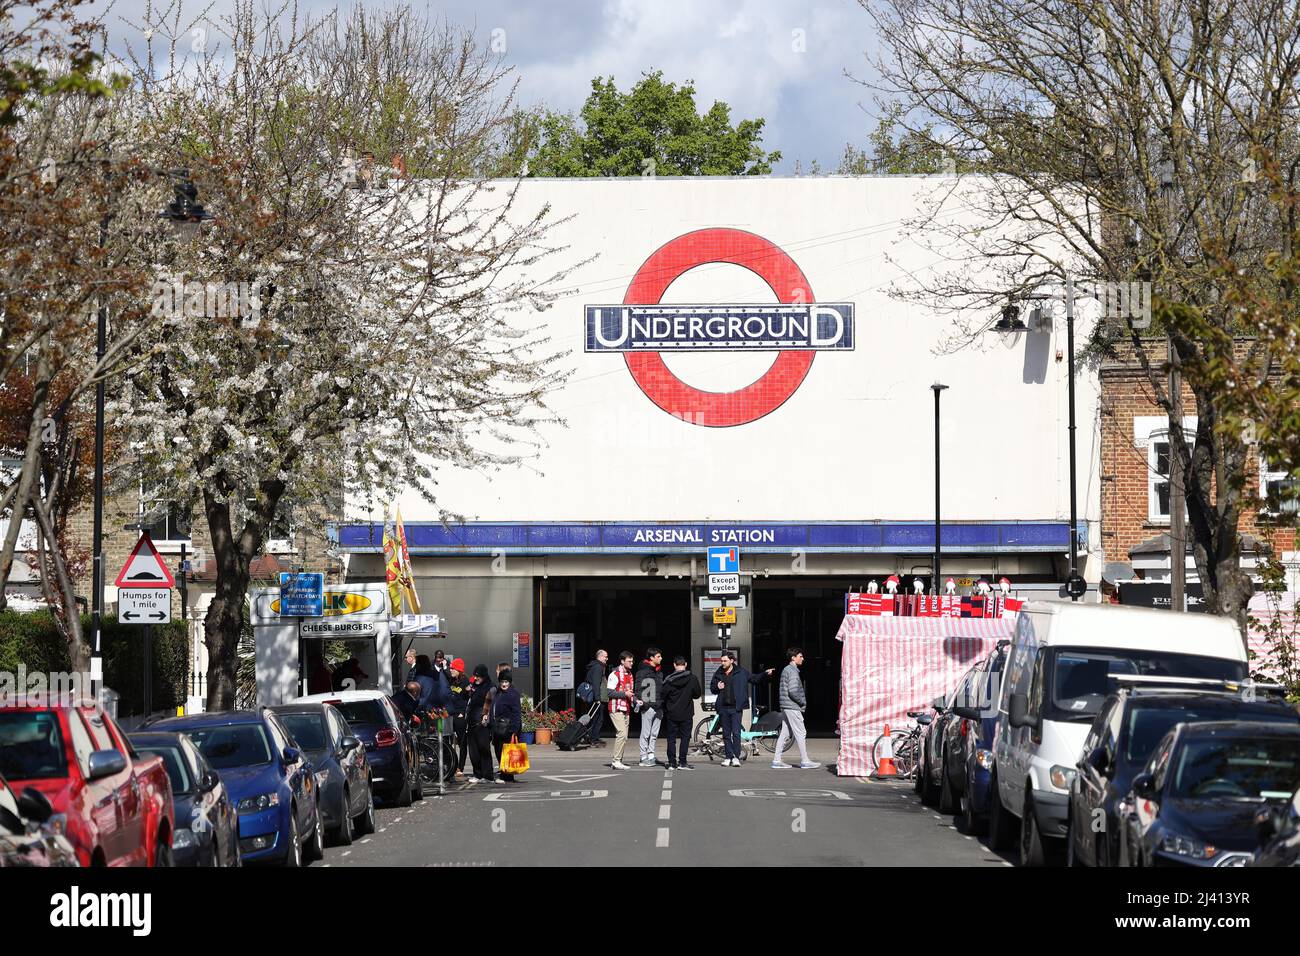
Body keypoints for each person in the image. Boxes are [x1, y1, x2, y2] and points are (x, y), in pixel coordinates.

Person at [709, 651, 773, 767]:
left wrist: (764, 674)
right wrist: (717, 687)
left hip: (736, 708)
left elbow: (754, 679)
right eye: (721, 661)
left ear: (732, 661)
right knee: (726, 734)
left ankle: (736, 757)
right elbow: (712, 688)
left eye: (725, 661)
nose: (722, 663)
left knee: (736, 733)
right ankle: (728, 757)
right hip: (723, 708)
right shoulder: (719, 673)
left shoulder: (741, 672)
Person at [771, 647, 819, 770]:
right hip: (792, 706)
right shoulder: (792, 671)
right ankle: (805, 760)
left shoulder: (787, 670)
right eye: (800, 656)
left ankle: (777, 760)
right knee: (801, 732)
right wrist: (802, 701)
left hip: (786, 706)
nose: (802, 658)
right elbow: (792, 691)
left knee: (785, 733)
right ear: (793, 658)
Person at [660, 656, 701, 770]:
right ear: (686, 664)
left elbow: (663, 695)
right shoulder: (692, 678)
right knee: (685, 738)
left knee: (671, 739)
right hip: (687, 712)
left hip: (672, 713)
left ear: (674, 665)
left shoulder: (669, 679)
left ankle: (672, 763)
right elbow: (697, 694)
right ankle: (683, 762)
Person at [488, 669, 523, 783]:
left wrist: (514, 730)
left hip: (507, 729)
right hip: (498, 729)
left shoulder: (513, 694)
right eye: (502, 681)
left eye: (506, 682)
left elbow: (517, 713)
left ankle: (507, 776)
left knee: (506, 753)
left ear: (510, 682)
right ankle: (504, 774)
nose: (504, 684)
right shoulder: (498, 692)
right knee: (499, 752)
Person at [605, 651, 636, 770]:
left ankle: (619, 760)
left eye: (632, 661)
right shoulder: (615, 674)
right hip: (616, 707)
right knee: (622, 733)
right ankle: (616, 760)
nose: (632, 663)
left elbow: (630, 692)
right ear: (622, 661)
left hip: (626, 707)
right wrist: (625, 694)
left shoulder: (630, 674)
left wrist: (635, 700)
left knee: (624, 735)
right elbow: (609, 692)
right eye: (629, 661)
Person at [635, 647, 665, 767]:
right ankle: (643, 757)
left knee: (654, 733)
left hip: (658, 706)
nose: (661, 658)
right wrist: (645, 704)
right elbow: (638, 689)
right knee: (646, 733)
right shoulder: (643, 671)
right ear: (651, 658)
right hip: (648, 706)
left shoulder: (659, 672)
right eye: (658, 656)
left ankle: (651, 755)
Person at [466, 665, 495, 784]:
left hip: (482, 722)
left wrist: (485, 716)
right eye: (475, 675)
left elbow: (489, 703)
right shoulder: (474, 686)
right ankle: (477, 774)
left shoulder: (490, 687)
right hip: (472, 721)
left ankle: (487, 775)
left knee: (484, 749)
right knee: (473, 751)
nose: (476, 678)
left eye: (478, 676)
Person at [446, 658, 471, 778]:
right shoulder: (450, 680)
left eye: (453, 668)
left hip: (460, 715)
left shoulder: (465, 682)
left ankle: (460, 767)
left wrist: (463, 712)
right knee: (449, 742)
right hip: (450, 714)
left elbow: (468, 699)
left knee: (462, 742)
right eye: (450, 668)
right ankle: (451, 766)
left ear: (459, 670)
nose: (451, 670)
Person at [583, 650, 609, 746]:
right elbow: (596, 683)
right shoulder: (598, 667)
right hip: (597, 697)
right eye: (605, 656)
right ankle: (594, 738)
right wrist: (597, 698)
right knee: (598, 718)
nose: (606, 659)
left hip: (594, 696)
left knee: (594, 717)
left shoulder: (595, 666)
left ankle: (591, 737)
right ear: (599, 657)